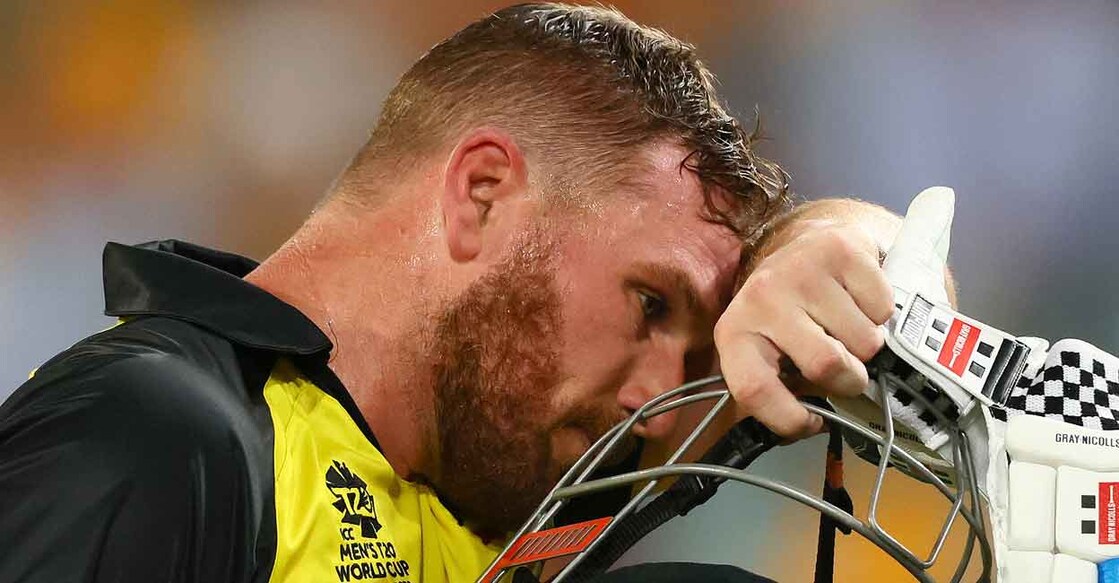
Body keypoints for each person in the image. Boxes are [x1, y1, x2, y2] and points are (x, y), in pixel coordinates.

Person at [0, 4, 899, 582]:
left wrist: (822, 241)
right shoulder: (164, 435)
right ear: (481, 194)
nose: (659, 405)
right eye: (649, 305)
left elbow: (898, 292)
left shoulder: (514, 498)